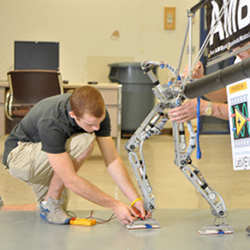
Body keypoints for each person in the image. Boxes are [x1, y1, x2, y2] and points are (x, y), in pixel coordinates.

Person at [2, 85, 146, 225]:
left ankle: (22, 207)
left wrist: (135, 199)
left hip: (45, 154)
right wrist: (115, 205)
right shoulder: (53, 120)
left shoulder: (97, 113)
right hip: (19, 156)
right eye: (90, 124)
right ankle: (50, 201)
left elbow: (112, 160)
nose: (96, 128)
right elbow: (70, 180)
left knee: (53, 212)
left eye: (99, 122)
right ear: (73, 115)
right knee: (85, 141)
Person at [168, 41, 250, 123]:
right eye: (233, 46)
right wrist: (199, 80)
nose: (236, 52)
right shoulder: (241, 60)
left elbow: (246, 113)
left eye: (242, 45)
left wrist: (206, 108)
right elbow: (226, 94)